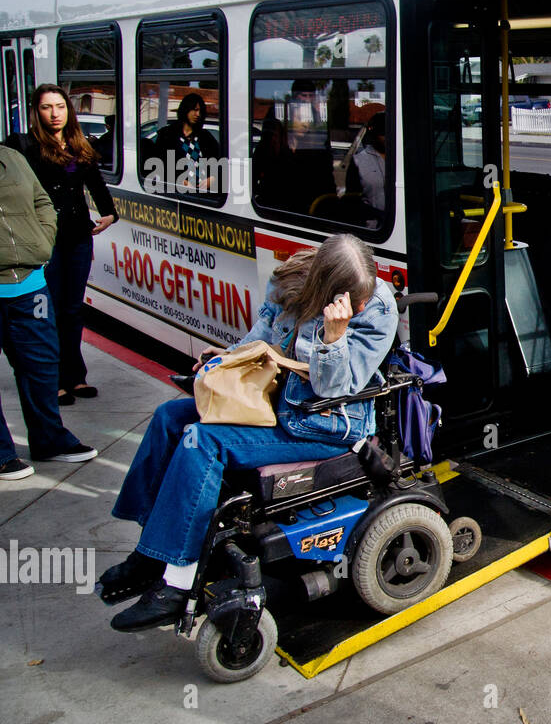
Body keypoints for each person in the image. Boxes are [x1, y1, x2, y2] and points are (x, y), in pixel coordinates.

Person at [98, 233, 397, 631]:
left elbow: (332, 388)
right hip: (275, 403)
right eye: (352, 298)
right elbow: (263, 335)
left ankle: (177, 584)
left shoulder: (377, 308)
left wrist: (333, 337)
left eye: (362, 298)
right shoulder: (292, 280)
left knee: (202, 443)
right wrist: (227, 357)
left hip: (323, 422)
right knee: (170, 417)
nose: (360, 304)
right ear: (324, 286)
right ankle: (151, 552)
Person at [0, 121, 98, 480]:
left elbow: (42, 202)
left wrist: (42, 240)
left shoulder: (9, 157)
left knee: (40, 365)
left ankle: (49, 439)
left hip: (29, 285)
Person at [12, 85, 118, 404]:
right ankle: (53, 378)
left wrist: (110, 213)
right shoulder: (25, 145)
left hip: (77, 236)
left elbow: (94, 181)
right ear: (37, 111)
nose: (55, 113)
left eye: (60, 106)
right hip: (44, 238)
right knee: (49, 308)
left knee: (73, 309)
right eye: (47, 107)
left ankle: (75, 376)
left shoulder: (76, 144)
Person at [151, 92, 220, 193]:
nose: (198, 114)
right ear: (186, 109)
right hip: (178, 195)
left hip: (203, 195)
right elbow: (158, 166)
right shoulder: (167, 135)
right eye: (195, 110)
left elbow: (220, 162)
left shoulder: (205, 136)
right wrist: (181, 181)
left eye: (200, 111)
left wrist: (213, 179)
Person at [345, 112, 387, 229]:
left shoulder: (405, 160)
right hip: (372, 229)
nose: (387, 137)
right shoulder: (359, 161)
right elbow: (352, 201)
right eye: (383, 132)